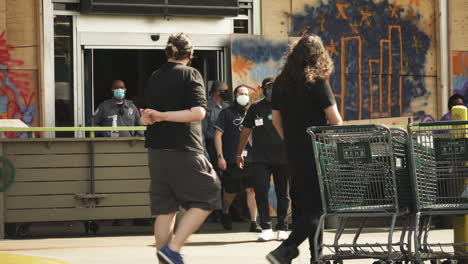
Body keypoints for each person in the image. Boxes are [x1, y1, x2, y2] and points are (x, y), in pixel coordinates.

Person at [140, 33, 221, 264]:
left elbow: (146, 115)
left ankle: (164, 258)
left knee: (165, 209)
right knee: (209, 194)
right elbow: (198, 113)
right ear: (191, 54)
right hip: (184, 148)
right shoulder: (191, 74)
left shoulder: (155, 76)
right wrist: (164, 116)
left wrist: (154, 117)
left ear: (167, 52)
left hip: (156, 151)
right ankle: (172, 250)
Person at [266, 34, 343, 264]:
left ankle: (316, 257)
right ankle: (285, 248)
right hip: (317, 152)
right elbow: (335, 119)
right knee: (317, 209)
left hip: (293, 152)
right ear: (319, 56)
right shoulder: (318, 82)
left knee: (302, 207)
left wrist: (289, 139)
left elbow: (275, 120)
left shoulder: (280, 83)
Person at [236, 77, 290, 242]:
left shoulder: (286, 106)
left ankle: (282, 227)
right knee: (260, 191)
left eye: (275, 87)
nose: (272, 90)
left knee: (283, 193)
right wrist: (239, 153)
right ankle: (266, 227)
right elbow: (245, 131)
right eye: (269, 87)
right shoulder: (255, 107)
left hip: (283, 158)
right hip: (260, 158)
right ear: (262, 89)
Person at [214, 85, 261, 232]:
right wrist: (220, 156)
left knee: (252, 190)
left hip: (251, 158)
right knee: (231, 191)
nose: (244, 96)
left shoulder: (253, 112)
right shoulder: (226, 113)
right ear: (235, 96)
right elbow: (218, 135)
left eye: (246, 94)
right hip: (232, 158)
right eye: (241, 93)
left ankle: (254, 222)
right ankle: (225, 212)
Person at [202, 80, 231, 171]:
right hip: (211, 147)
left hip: (226, 146)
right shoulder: (206, 107)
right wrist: (203, 151)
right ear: (218, 92)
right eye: (225, 91)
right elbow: (201, 131)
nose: (227, 93)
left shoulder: (227, 107)